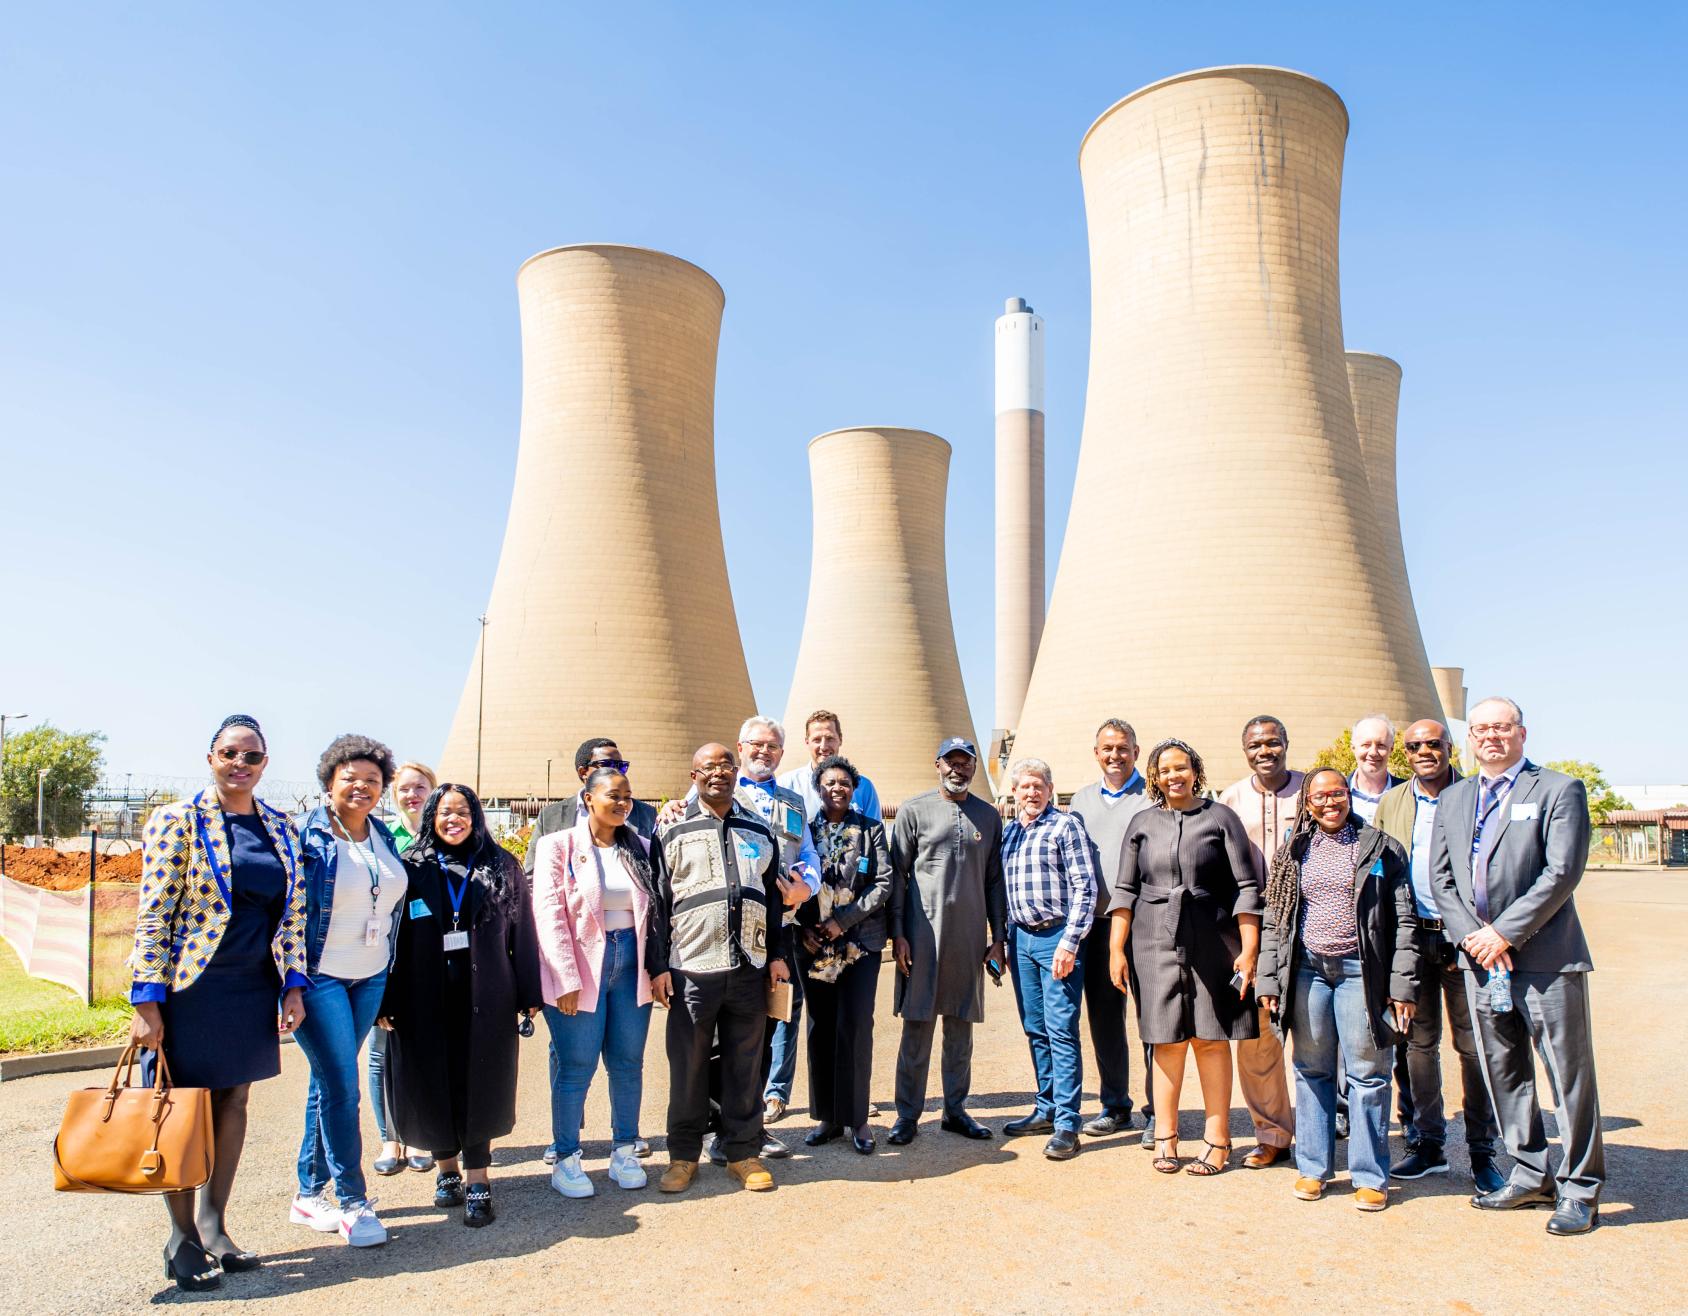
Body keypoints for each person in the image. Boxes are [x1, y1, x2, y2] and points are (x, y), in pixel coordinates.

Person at [128, 714, 308, 1291]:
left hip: (252, 984)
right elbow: (155, 911)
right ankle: (180, 1240)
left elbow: (295, 914)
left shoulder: (281, 827)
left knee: (233, 1104)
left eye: (252, 756)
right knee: (181, 1109)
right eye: (230, 753)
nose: (240, 764)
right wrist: (146, 999)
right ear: (211, 758)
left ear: (265, 765)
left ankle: (213, 1225)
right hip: (190, 989)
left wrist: (293, 985)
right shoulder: (177, 820)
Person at [1430, 696, 1603, 1236]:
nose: (1490, 737)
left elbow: (1562, 871)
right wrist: (1476, 940)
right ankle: (1530, 1173)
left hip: (1547, 961)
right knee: (1503, 1071)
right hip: (1483, 964)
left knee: (1567, 1077)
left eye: (1501, 728)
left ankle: (1580, 1189)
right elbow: (1441, 880)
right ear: (1470, 738)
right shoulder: (1455, 798)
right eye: (1480, 728)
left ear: (1521, 734)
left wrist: (1504, 932)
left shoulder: (1557, 790)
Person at [379, 785, 543, 1227]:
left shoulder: (500, 865)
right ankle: (446, 1171)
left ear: (476, 816)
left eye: (463, 812)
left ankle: (478, 1180)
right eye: (445, 812)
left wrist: (529, 993)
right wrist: (385, 997)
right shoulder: (410, 867)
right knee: (430, 1081)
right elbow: (390, 940)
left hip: (486, 994)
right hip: (421, 995)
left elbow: (522, 932)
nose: (454, 820)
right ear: (431, 816)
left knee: (481, 1082)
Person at [1256, 768, 1419, 1210]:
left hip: (1359, 972)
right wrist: (1269, 979)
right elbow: (1276, 918)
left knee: (1367, 1074)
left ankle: (1370, 1175)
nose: (1330, 803)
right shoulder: (1294, 851)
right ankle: (1314, 1168)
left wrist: (1401, 986)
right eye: (1320, 796)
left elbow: (1405, 922)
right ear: (1307, 803)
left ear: (1349, 796)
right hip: (1308, 971)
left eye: (1338, 793)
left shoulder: (1381, 847)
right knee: (1312, 1069)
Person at [1109, 739, 1260, 1177]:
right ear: (1154, 778)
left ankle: (1218, 1140)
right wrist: (1116, 948)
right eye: (1165, 770)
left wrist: (1249, 949)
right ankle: (1166, 1137)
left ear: (1196, 770)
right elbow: (1124, 891)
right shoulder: (1142, 823)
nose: (1174, 776)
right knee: (1165, 1040)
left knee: (1211, 1041)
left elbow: (1246, 887)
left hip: (1213, 938)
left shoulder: (1220, 818)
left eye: (1182, 767)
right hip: (1152, 940)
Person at [646, 744, 791, 1194]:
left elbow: (773, 901)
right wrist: (658, 966)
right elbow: (656, 902)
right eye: (709, 767)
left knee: (744, 1064)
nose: (719, 773)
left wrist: (778, 956)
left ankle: (742, 1152)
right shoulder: (672, 830)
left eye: (726, 765)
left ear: (737, 772)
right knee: (688, 1065)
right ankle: (683, 1156)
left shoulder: (760, 831)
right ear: (693, 775)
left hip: (748, 965)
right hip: (692, 966)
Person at [1374, 721, 1503, 1192]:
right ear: (1403, 753)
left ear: (1450, 747)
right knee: (1416, 1046)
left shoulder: (1476, 795)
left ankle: (1482, 1151)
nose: (1424, 751)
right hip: (1412, 938)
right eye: (1414, 746)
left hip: (1465, 938)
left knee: (1474, 1046)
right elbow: (1379, 869)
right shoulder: (1393, 802)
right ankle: (1427, 1143)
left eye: (1433, 743)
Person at [288, 735, 406, 1248]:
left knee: (327, 1082)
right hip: (322, 977)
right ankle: (355, 1203)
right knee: (342, 1085)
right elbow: (287, 914)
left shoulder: (381, 834)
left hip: (371, 973)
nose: (362, 787)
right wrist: (288, 983)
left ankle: (308, 1193)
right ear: (329, 782)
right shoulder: (306, 837)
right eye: (350, 779)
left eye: (373, 780)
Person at [524, 737, 657, 1164]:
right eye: (612, 796)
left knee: (627, 1062)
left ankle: (625, 1149)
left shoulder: (640, 846)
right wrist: (563, 976)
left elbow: (656, 912)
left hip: (630, 963)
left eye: (627, 797)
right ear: (588, 797)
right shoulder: (557, 844)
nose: (622, 803)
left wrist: (656, 969)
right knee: (576, 1065)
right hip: (581, 967)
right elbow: (548, 912)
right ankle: (566, 1155)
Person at [887, 737, 1006, 1146]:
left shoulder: (988, 817)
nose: (959, 769)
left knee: (961, 1029)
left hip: (969, 940)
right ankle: (907, 1115)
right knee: (917, 1028)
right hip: (921, 939)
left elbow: (994, 882)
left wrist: (998, 938)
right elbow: (896, 877)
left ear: (974, 768)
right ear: (937, 764)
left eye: (966, 762)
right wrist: (898, 934)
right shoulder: (914, 810)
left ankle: (955, 1110)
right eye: (951, 761)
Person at [999, 757, 1098, 1160]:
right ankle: (1046, 1107)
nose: (1032, 793)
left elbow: (1085, 887)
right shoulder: (1009, 835)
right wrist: (1002, 943)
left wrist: (1070, 943)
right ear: (1015, 792)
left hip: (1056, 935)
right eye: (1025, 786)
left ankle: (1066, 1123)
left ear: (1050, 789)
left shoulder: (1065, 826)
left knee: (1060, 1029)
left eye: (1039, 785)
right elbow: (1003, 894)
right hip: (1021, 939)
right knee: (1035, 1028)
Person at [1216, 714, 1302, 1167]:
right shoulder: (1231, 798)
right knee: (1257, 1036)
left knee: (1311, 1033)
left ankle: (1319, 1130)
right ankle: (1272, 1134)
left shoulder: (1312, 791)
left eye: (1272, 742)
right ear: (1245, 750)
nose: (1264, 751)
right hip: (1253, 926)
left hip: (1307, 923)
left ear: (1286, 743)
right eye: (1255, 745)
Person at [1067, 718, 1156, 1144]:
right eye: (1107, 748)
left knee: (1154, 1020)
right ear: (1096, 753)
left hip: (1145, 924)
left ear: (1136, 752)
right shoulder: (1082, 800)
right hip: (1098, 927)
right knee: (1104, 1020)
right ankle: (1115, 1105)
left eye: (1123, 748)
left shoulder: (1152, 797)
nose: (1115, 755)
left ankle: (1158, 1110)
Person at [798, 754, 892, 1154]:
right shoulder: (804, 830)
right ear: (819, 787)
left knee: (854, 1027)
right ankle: (827, 1118)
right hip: (815, 945)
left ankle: (857, 1118)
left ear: (855, 790)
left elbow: (884, 882)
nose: (837, 788)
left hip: (859, 945)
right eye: (830, 782)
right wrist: (804, 927)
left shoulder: (870, 830)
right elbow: (792, 875)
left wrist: (844, 920)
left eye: (844, 784)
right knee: (820, 1027)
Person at [370, 761, 436, 1177]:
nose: (413, 795)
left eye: (420, 787)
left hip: (428, 956)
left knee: (423, 1049)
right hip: (383, 954)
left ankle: (419, 1134)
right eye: (405, 789)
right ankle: (389, 1137)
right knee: (380, 1052)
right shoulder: (380, 835)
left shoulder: (444, 835)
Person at [776, 709, 884, 823]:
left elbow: (874, 834)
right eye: (817, 740)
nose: (823, 746)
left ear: (840, 740)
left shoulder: (863, 787)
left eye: (830, 739)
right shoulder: (787, 785)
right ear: (807, 742)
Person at [1348, 714, 1406, 824]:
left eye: (1381, 745)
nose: (1373, 752)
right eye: (1366, 745)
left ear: (1391, 749)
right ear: (1353, 748)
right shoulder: (1337, 795)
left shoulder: (1408, 795)